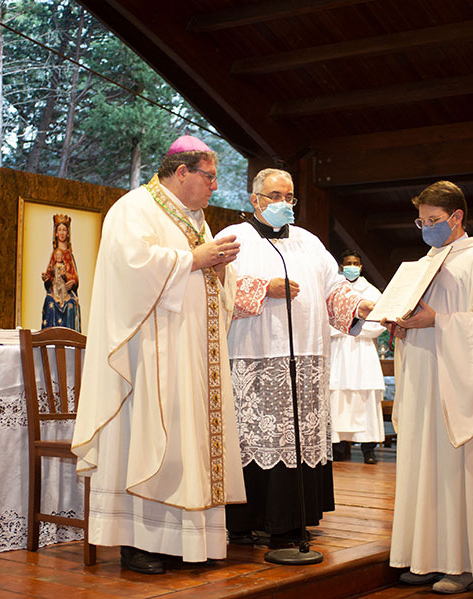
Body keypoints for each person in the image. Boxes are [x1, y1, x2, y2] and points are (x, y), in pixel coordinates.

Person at [71, 135, 245, 575]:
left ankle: (183, 542)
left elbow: (206, 277)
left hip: (193, 352)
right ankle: (138, 541)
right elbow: (132, 269)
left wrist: (218, 267)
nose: (214, 187)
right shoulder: (133, 208)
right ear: (181, 171)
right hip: (151, 352)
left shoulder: (197, 219)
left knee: (189, 444)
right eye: (209, 177)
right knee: (152, 440)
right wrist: (194, 258)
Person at [217, 168, 374, 546]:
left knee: (300, 440)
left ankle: (293, 519)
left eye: (288, 197)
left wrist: (360, 305)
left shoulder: (308, 241)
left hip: (305, 360)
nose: (282, 203)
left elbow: (333, 287)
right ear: (255, 200)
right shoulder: (233, 238)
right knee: (259, 441)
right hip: (253, 359)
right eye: (274, 196)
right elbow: (214, 287)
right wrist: (260, 288)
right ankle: (246, 520)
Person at [385, 180, 473, 594]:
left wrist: (439, 321)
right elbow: (417, 313)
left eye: (434, 220)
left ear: (457, 217)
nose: (426, 228)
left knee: (456, 471)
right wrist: (400, 324)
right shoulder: (424, 262)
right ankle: (426, 558)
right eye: (421, 221)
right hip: (424, 375)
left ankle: (463, 564)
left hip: (459, 382)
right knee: (424, 467)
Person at [329, 250, 386, 464]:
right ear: (342, 267)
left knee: (365, 400)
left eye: (355, 263)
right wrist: (349, 326)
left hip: (362, 353)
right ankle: (339, 448)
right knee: (338, 398)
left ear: (361, 267)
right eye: (348, 263)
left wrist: (349, 327)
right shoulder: (334, 291)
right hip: (339, 353)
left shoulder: (372, 293)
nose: (352, 266)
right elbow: (326, 321)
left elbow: (379, 323)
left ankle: (368, 450)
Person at [40, 215, 81, 331]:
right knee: (49, 303)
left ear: (68, 233)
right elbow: (49, 277)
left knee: (71, 305)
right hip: (55, 292)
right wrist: (47, 279)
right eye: (59, 230)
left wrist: (71, 281)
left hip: (67, 294)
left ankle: (70, 340)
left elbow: (75, 278)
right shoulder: (53, 256)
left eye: (64, 230)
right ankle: (49, 339)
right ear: (56, 233)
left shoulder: (69, 255)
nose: (62, 233)